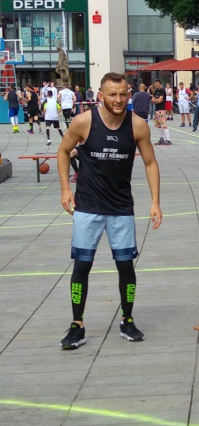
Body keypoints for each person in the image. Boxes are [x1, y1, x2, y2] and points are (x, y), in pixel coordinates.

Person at [56, 72, 163, 350]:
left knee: (126, 267)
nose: (118, 99)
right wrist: (66, 189)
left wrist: (155, 201)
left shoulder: (138, 126)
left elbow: (150, 163)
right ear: (100, 95)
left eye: (122, 94)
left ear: (129, 94)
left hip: (121, 209)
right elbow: (63, 151)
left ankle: (127, 320)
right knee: (82, 266)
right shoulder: (84, 122)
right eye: (112, 94)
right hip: (88, 208)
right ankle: (76, 325)